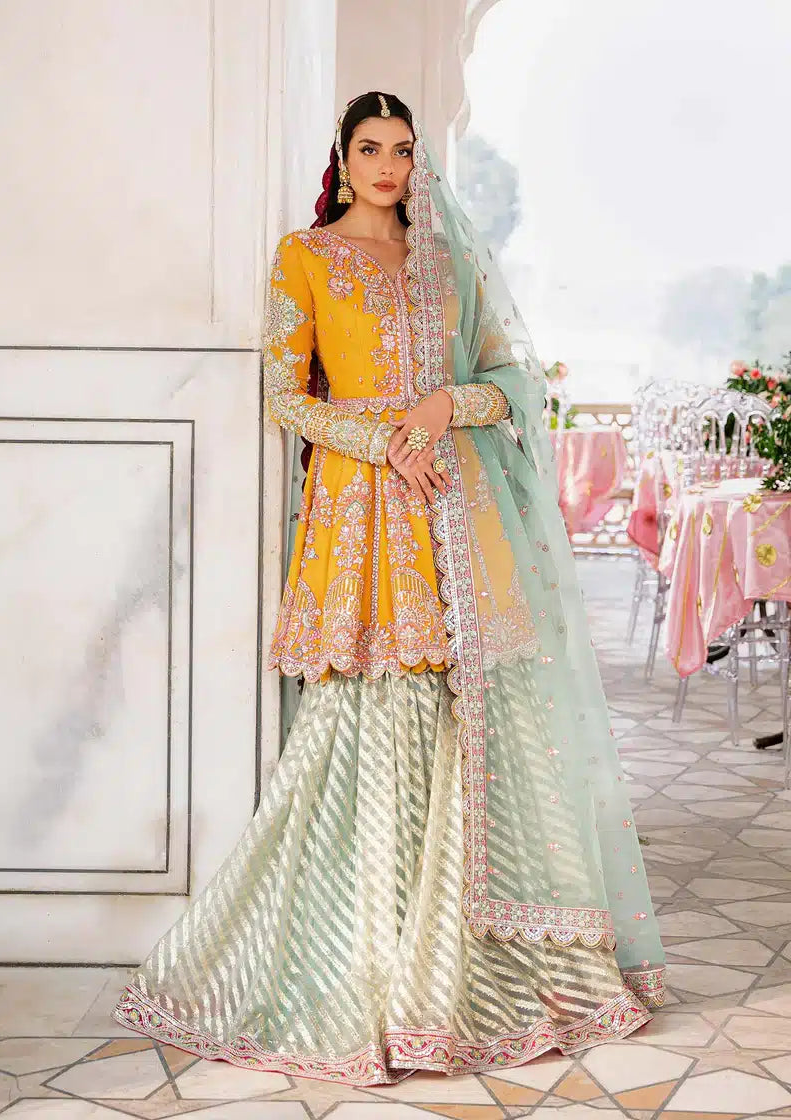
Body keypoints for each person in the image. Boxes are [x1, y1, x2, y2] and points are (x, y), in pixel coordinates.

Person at [111, 91, 665, 1086]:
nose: (387, 167)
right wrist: (382, 440)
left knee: (470, 723)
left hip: (458, 511)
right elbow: (285, 395)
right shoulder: (304, 256)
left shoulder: (449, 262)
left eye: (402, 150)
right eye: (369, 148)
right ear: (344, 155)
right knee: (369, 721)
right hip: (361, 517)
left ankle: (462, 957)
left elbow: (515, 382)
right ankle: (368, 956)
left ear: (417, 162)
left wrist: (447, 404)